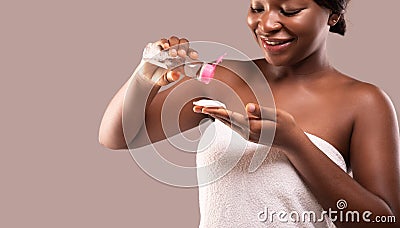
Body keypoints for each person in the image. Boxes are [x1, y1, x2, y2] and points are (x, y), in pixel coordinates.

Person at [99, 0, 400, 227]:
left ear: (333, 14)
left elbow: (384, 222)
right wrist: (146, 73)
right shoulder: (225, 78)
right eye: (257, 7)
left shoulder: (364, 102)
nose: (266, 24)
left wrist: (294, 143)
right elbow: (118, 135)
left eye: (290, 10)